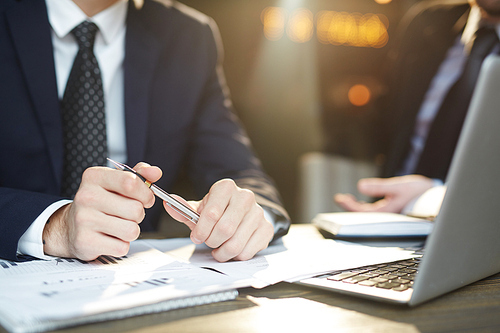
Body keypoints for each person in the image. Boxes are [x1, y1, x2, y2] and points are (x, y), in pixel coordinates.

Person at [0, 0, 290, 262]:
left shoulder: (188, 36)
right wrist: (56, 225)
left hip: (131, 280)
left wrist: (247, 214)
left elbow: (241, 172)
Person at [335, 0, 500, 214]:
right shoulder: (426, 24)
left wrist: (433, 195)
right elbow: (386, 118)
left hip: (478, 225)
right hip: (393, 213)